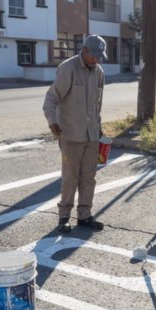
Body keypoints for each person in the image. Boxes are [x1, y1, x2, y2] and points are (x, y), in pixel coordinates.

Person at [43, 34, 107, 233]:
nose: (96, 59)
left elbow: (98, 105)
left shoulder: (99, 73)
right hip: (70, 133)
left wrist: (99, 127)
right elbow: (51, 97)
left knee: (88, 177)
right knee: (70, 177)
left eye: (99, 56)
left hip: (92, 135)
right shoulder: (68, 68)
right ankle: (64, 218)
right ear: (85, 50)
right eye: (93, 55)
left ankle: (85, 216)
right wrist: (52, 121)